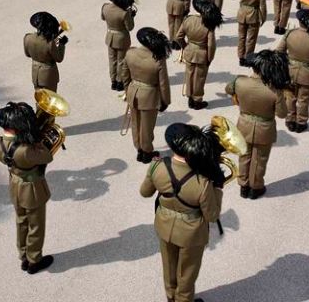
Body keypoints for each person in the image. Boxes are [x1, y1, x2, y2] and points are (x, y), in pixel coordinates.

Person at [139, 123, 224, 302]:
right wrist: (218, 189)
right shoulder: (203, 182)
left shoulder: (157, 166)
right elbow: (212, 216)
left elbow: (145, 192)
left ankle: (171, 298)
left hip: (164, 226)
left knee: (169, 268)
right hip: (191, 234)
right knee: (187, 274)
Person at [0, 102, 55, 274]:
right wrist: (38, 140)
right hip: (32, 189)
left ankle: (23, 256)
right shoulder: (26, 151)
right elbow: (47, 156)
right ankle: (34, 260)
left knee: (21, 221)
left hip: (15, 186)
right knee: (36, 226)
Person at [226, 50, 290, 198]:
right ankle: (256, 187)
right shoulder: (275, 90)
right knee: (259, 160)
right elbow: (282, 114)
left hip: (243, 124)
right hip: (265, 128)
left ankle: (243, 185)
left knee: (244, 155)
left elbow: (228, 89)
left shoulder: (239, 81)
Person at [124, 28, 172, 163]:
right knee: (147, 126)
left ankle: (139, 148)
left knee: (135, 122)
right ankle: (146, 152)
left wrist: (128, 91)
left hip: (133, 91)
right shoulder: (158, 59)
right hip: (150, 95)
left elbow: (124, 75)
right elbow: (163, 83)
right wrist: (165, 101)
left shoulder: (130, 53)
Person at [276, 9, 309, 133]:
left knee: (290, 97)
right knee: (303, 100)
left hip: (289, 71)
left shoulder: (290, 34)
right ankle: (301, 122)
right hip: (307, 74)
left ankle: (290, 119)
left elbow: (279, 51)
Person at [176, 0, 223, 110]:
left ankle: (190, 97)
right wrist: (209, 58)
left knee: (189, 75)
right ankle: (197, 100)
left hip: (189, 50)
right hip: (202, 54)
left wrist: (185, 46)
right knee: (199, 78)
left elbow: (178, 36)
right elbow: (211, 45)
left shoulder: (188, 20)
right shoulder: (208, 24)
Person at [231, 0, 268, 66]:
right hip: (253, 14)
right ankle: (248, 57)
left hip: (242, 12)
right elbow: (263, 6)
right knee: (251, 38)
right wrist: (263, 18)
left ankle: (241, 57)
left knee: (241, 37)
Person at [102, 0, 136, 92]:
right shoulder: (124, 13)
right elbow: (130, 27)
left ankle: (113, 81)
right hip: (121, 38)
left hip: (110, 36)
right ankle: (120, 81)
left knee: (112, 60)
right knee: (121, 61)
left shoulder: (105, 7)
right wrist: (131, 16)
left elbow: (103, 18)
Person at [24, 11, 67, 91]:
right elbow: (59, 58)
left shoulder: (28, 38)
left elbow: (28, 54)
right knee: (50, 100)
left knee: (39, 99)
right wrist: (61, 45)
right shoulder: (50, 43)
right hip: (48, 77)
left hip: (35, 74)